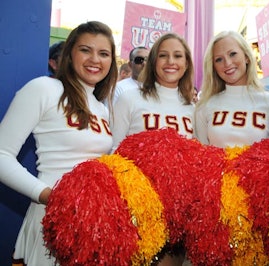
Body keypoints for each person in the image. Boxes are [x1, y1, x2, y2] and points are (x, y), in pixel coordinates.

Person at [0, 21, 118, 266]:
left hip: (92, 223)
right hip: (51, 217)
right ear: (69, 53)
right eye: (86, 49)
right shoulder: (43, 88)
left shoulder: (101, 107)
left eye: (104, 53)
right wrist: (49, 197)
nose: (95, 59)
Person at [110, 32, 194, 265]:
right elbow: (113, 149)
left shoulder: (194, 107)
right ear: (153, 60)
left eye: (178, 56)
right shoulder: (130, 97)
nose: (171, 62)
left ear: (186, 63)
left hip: (176, 215)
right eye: (163, 56)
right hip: (137, 208)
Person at [194, 30, 269, 148]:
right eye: (219, 59)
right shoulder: (204, 106)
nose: (227, 63)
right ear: (213, 67)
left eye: (232, 54)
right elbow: (202, 157)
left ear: (246, 57)